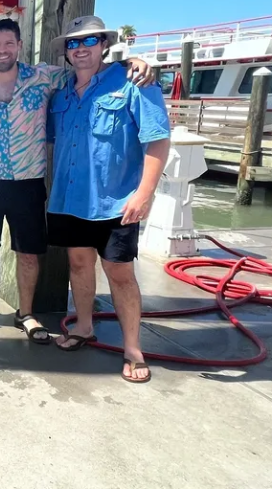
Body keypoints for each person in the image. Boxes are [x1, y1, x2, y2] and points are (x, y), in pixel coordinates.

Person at [0, 19, 153, 342]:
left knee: (29, 252)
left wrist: (130, 62)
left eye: (8, 43)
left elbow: (90, 68)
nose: (2, 50)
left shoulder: (44, 77)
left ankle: (26, 313)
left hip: (30, 179)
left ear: (19, 46)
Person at [45, 16, 171, 383]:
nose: (80, 49)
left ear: (103, 44)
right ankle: (84, 327)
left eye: (89, 41)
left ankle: (133, 349)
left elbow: (158, 140)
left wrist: (144, 195)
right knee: (79, 265)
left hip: (116, 202)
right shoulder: (62, 92)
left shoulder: (134, 81)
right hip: (69, 200)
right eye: (73, 43)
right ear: (66, 52)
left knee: (120, 273)